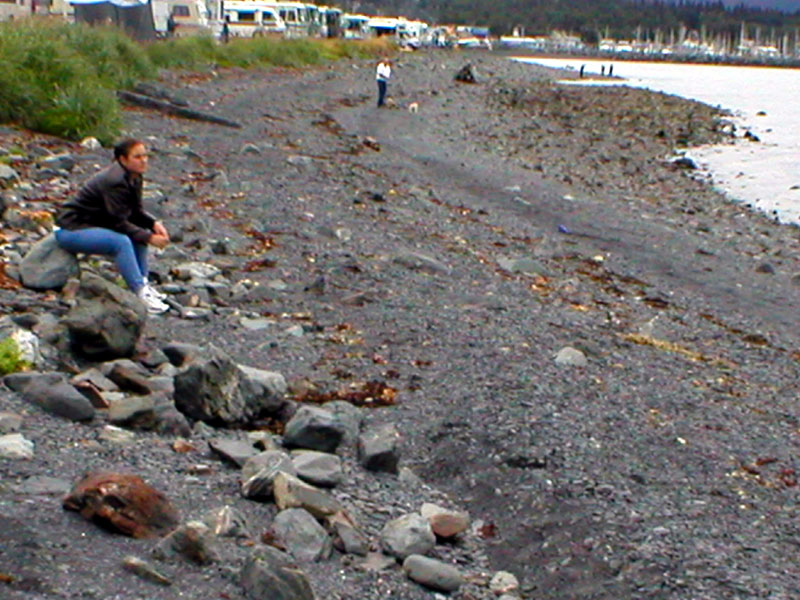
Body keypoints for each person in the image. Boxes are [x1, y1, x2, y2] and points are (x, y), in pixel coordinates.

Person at [54, 138, 170, 314]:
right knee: (121, 241)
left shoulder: (134, 177)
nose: (144, 160)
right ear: (123, 160)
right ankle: (139, 292)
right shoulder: (114, 181)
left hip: (93, 225)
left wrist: (153, 224)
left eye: (145, 156)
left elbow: (135, 213)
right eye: (137, 157)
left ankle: (143, 284)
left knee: (139, 234)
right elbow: (117, 222)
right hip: (71, 229)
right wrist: (150, 238)